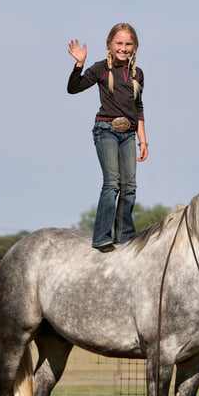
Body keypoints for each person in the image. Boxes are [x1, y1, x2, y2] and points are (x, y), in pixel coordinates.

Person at [67, 23, 149, 252]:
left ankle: (125, 237)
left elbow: (138, 107)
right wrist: (79, 64)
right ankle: (101, 236)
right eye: (119, 43)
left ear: (135, 47)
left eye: (128, 44)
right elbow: (73, 88)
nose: (124, 48)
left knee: (129, 186)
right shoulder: (102, 68)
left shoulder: (137, 73)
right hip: (106, 131)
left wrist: (143, 140)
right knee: (112, 183)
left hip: (129, 134)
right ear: (110, 45)